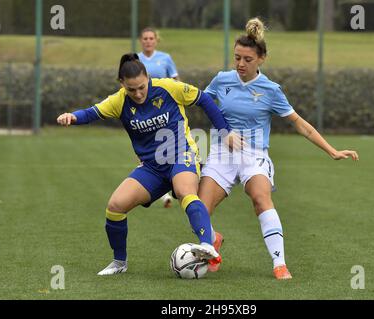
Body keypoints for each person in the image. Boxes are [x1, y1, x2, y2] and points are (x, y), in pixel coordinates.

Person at [198, 18, 359, 280]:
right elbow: (204, 104)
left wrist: (332, 150)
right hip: (221, 153)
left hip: (254, 155)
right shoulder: (221, 79)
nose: (240, 64)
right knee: (199, 211)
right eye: (237, 57)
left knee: (261, 198)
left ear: (262, 59)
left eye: (247, 59)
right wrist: (225, 132)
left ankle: (279, 264)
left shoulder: (271, 90)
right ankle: (213, 239)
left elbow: (301, 125)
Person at [57, 53, 242, 275]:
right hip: (152, 167)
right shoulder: (119, 101)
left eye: (142, 87)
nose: (137, 93)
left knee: (185, 191)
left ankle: (207, 245)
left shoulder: (168, 88)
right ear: (122, 84)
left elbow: (203, 99)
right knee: (115, 206)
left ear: (148, 77)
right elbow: (91, 113)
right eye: (131, 89)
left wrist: (225, 132)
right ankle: (119, 263)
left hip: (181, 155)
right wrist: (72, 117)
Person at [138, 27, 179, 208]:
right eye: (145, 38)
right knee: (146, 145)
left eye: (151, 38)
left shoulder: (165, 58)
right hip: (143, 111)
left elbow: (176, 81)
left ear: (156, 40)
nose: (148, 41)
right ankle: (162, 189)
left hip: (164, 111)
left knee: (167, 145)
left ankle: (173, 182)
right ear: (141, 41)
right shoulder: (135, 59)